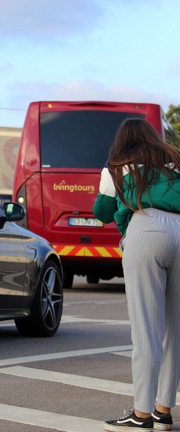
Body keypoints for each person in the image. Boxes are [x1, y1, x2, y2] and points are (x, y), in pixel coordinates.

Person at [93, 118, 180, 431]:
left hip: (146, 228)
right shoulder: (175, 158)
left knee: (146, 330)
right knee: (175, 329)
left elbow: (101, 213)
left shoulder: (117, 164)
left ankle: (141, 413)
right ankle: (163, 411)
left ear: (121, 140)